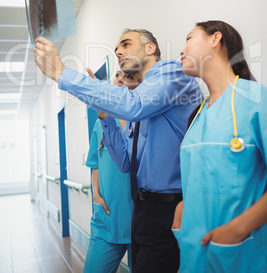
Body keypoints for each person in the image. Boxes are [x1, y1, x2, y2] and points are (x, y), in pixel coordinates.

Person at [34, 28, 202, 273]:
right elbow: (125, 162)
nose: (119, 52)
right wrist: (105, 116)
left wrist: (63, 73)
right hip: (142, 209)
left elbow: (133, 105)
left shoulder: (172, 73)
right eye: (116, 50)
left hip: (171, 207)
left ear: (150, 48)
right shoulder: (138, 99)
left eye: (125, 44)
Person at [172, 20, 267, 273]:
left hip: (239, 253)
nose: (181, 50)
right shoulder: (198, 113)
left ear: (216, 39)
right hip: (194, 254)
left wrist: (237, 229)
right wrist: (183, 206)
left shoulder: (257, 100)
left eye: (189, 39)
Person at [84, 70, 141, 273]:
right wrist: (96, 195)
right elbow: (95, 164)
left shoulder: (142, 120)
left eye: (127, 77)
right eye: (117, 76)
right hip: (107, 218)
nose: (120, 80)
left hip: (138, 219)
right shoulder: (101, 123)